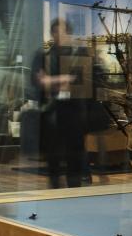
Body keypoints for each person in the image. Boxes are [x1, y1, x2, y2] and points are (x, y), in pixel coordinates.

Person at [31, 18, 90, 189]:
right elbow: (37, 81)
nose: (59, 36)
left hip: (75, 113)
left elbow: (80, 81)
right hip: (52, 113)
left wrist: (50, 80)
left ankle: (74, 191)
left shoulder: (80, 55)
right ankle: (55, 191)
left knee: (75, 156)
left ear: (69, 34)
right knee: (53, 157)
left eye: (63, 32)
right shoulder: (43, 56)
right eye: (56, 32)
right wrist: (64, 79)